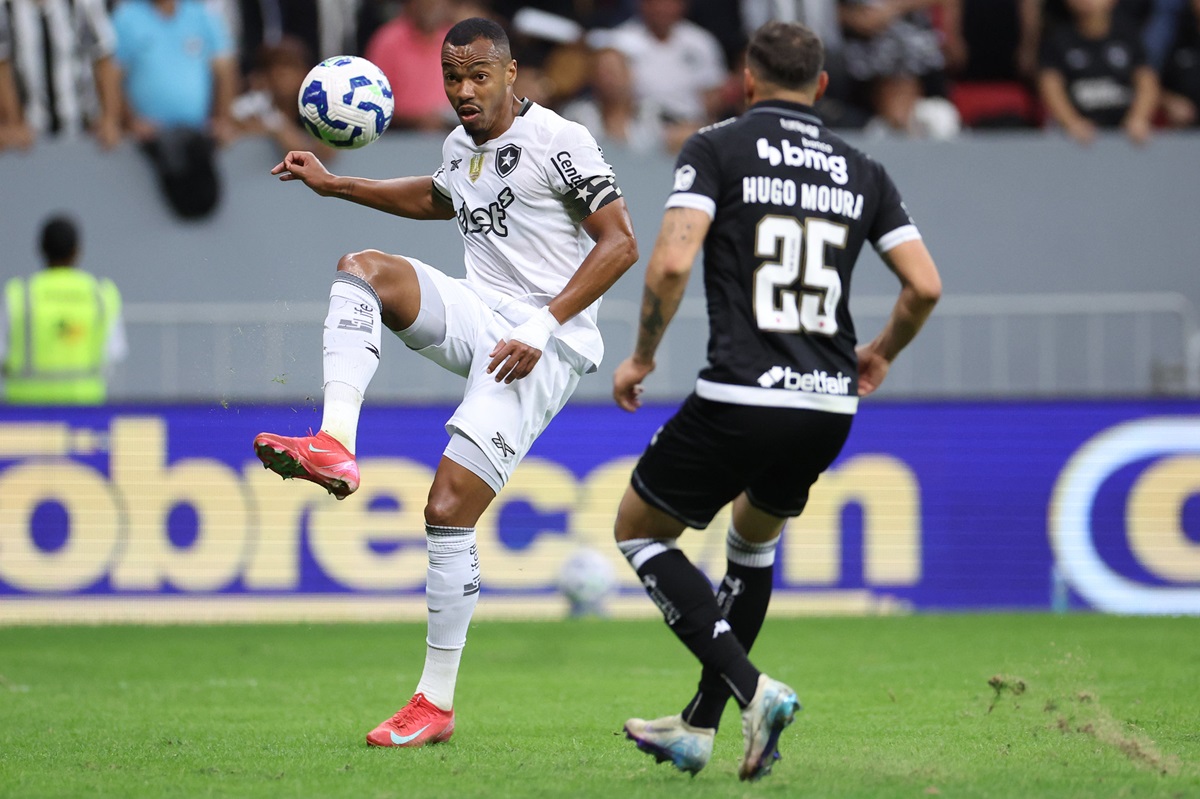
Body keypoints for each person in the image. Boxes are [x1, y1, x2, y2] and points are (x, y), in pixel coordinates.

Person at [251, 17, 638, 748]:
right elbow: (437, 197)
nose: (463, 90)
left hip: (545, 343)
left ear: (511, 73)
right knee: (362, 268)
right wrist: (337, 186)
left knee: (447, 506)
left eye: (478, 76)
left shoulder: (562, 141)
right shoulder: (460, 146)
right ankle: (335, 442)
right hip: (480, 313)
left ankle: (435, 700)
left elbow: (621, 243)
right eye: (452, 77)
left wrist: (544, 325)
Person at [610, 20, 941, 782]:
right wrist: (881, 352)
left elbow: (669, 263)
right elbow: (925, 285)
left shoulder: (717, 145)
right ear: (822, 86)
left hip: (742, 388)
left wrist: (642, 357)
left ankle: (755, 688)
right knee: (750, 543)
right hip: (828, 400)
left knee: (638, 527)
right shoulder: (864, 168)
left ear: (747, 81)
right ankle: (697, 727)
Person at [112, 0, 237, 218]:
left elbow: (225, 69)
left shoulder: (202, 15)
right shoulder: (126, 17)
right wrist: (130, 121)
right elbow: (112, 75)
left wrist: (223, 118)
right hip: (150, 139)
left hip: (198, 137)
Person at [1, 214, 127, 404]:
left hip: (25, 414)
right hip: (84, 413)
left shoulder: (18, 294)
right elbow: (113, 353)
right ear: (77, 251)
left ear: (41, 249)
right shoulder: (101, 294)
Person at [0, 0, 123, 149]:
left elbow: (104, 60)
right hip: (33, 137)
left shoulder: (82, 4)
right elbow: (3, 69)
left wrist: (110, 118)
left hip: (86, 131)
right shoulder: (6, 8)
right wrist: (14, 123)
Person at [1036, 0, 1160, 145]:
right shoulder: (1057, 39)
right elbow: (1050, 84)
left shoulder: (1128, 36)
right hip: (1078, 135)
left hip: (1124, 132)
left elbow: (1146, 81)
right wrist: (1072, 122)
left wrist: (1139, 118)